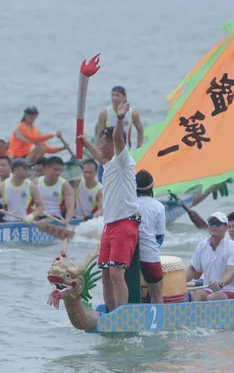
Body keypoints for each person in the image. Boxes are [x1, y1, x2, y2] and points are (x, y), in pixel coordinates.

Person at [79, 99, 140, 312]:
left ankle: (122, 314)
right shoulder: (110, 165)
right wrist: (86, 144)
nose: (100, 146)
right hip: (109, 226)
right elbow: (100, 159)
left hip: (125, 224)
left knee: (116, 273)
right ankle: (111, 312)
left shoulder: (124, 161)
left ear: (112, 144)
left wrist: (121, 118)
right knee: (105, 274)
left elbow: (117, 137)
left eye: (101, 142)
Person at [185, 212, 234, 301]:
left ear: (225, 228)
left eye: (218, 223)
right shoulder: (202, 245)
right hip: (209, 289)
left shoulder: (232, 248)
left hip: (231, 290)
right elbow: (193, 270)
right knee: (196, 293)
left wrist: (220, 284)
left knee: (212, 298)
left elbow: (232, 272)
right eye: (211, 223)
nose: (214, 226)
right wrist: (178, 283)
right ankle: (198, 315)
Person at [135, 170, 165, 304]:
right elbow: (160, 237)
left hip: (128, 256)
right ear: (151, 187)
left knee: (128, 293)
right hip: (150, 257)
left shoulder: (127, 203)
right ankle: (158, 323)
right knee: (157, 295)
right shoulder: (158, 206)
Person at [0, 158, 44, 223]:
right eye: (24, 168)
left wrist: (32, 216)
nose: (27, 171)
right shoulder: (2, 186)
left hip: (24, 222)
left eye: (28, 168)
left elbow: (40, 206)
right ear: (15, 169)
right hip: (6, 221)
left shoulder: (32, 187)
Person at [36, 156, 74, 226]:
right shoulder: (35, 183)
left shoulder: (65, 185)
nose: (58, 173)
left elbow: (70, 207)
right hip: (37, 217)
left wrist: (67, 220)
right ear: (46, 168)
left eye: (60, 170)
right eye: (55, 170)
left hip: (55, 218)